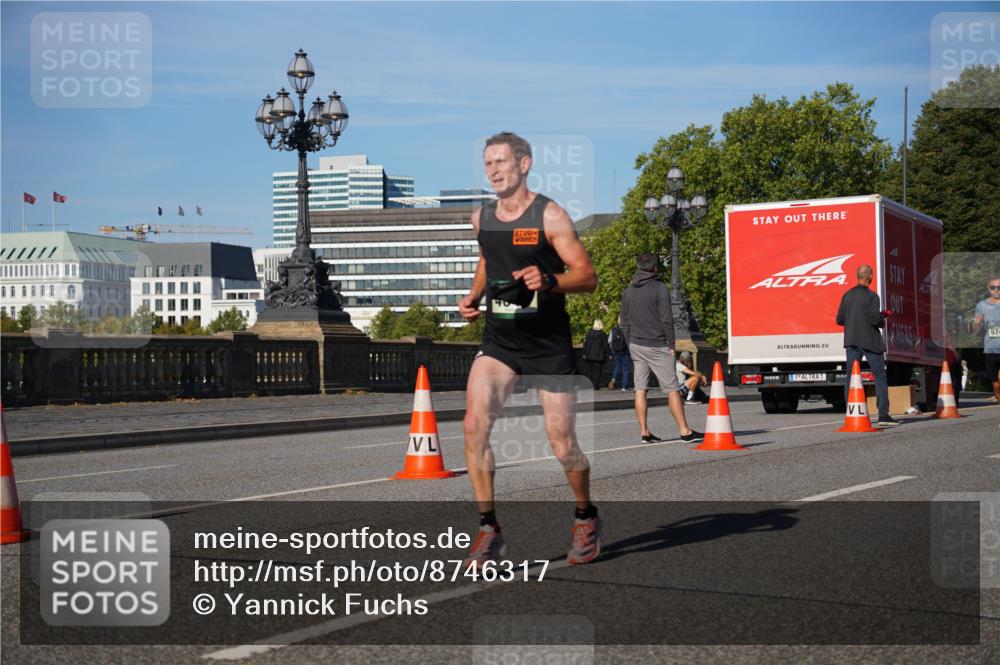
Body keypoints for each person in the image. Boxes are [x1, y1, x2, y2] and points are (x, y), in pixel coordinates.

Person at [457, 131, 602, 568]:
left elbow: (587, 276)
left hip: (548, 344)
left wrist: (551, 281)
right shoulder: (481, 218)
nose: (494, 170)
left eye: (501, 162)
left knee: (562, 443)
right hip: (501, 343)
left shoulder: (550, 215)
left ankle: (585, 516)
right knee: (473, 425)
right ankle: (489, 530)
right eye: (488, 164)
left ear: (524, 164)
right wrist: (473, 298)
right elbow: (487, 258)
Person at [620, 252, 704, 444]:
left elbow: (624, 321)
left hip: (636, 345)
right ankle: (685, 431)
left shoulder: (628, 291)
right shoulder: (660, 288)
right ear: (654, 268)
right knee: (673, 389)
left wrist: (630, 342)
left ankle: (645, 432)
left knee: (640, 389)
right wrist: (671, 345)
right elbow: (667, 319)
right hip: (657, 344)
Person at [835, 264, 898, 426]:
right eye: (872, 274)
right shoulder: (872, 296)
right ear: (868, 277)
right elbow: (874, 320)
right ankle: (883, 415)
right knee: (880, 376)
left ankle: (850, 411)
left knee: (850, 376)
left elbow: (840, 320)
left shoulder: (846, 295)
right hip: (870, 341)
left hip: (852, 341)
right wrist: (882, 317)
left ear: (858, 276)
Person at [973, 276, 1000, 403]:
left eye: (999, 287)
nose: (996, 290)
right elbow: (977, 331)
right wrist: (978, 323)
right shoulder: (981, 306)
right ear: (988, 289)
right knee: (996, 385)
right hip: (990, 348)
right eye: (993, 287)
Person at [581, 319, 610, 390]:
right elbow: (606, 345)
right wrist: (609, 353)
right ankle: (595, 385)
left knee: (590, 371)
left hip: (589, 355)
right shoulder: (603, 334)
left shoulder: (589, 333)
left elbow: (586, 344)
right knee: (597, 371)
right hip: (599, 356)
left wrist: (584, 353)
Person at [608, 316, 631, 390]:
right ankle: (624, 386)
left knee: (617, 366)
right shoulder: (628, 330)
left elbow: (609, 341)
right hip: (626, 351)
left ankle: (613, 379)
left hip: (616, 351)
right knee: (625, 369)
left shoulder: (614, 330)